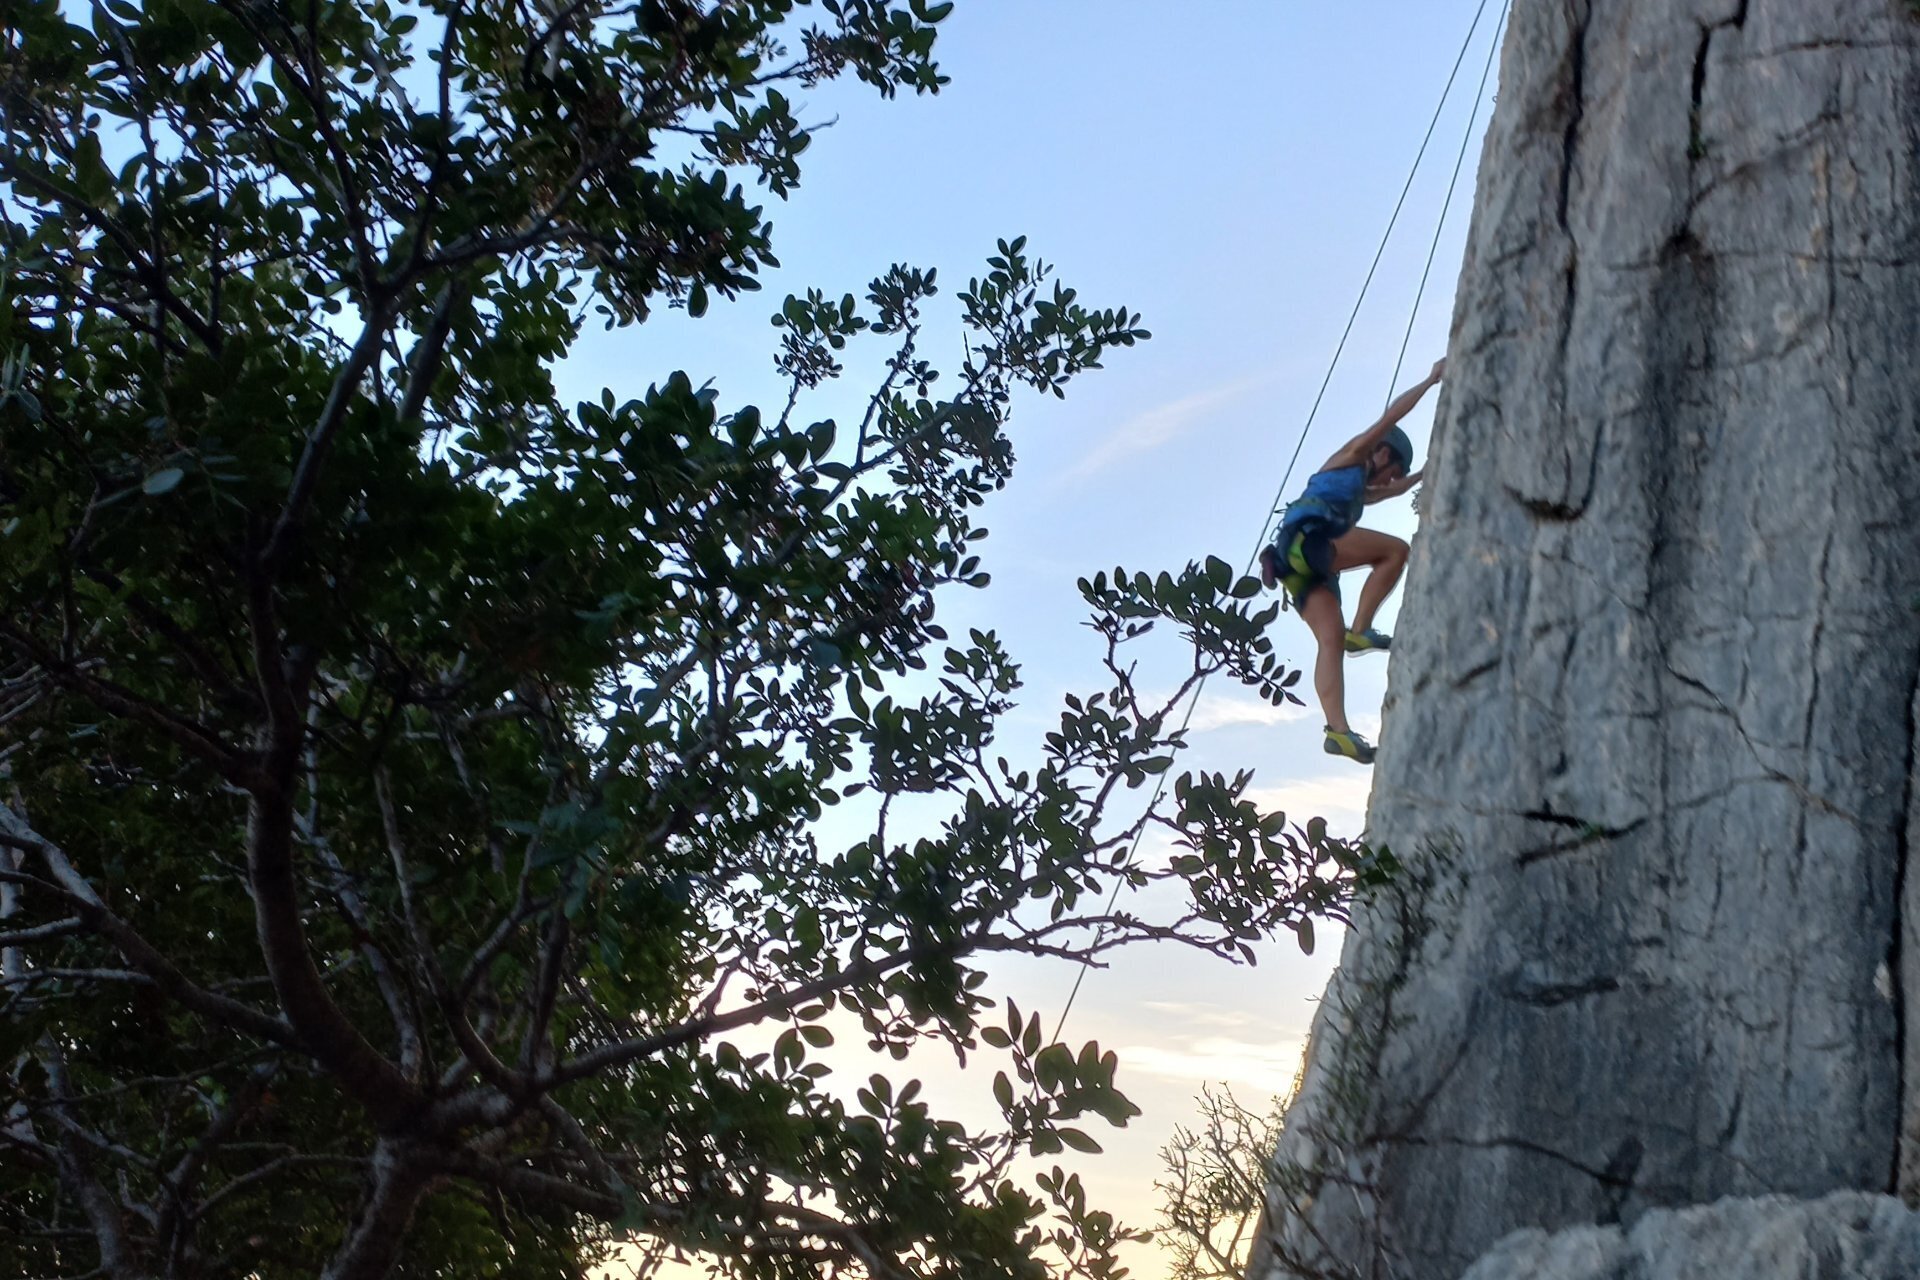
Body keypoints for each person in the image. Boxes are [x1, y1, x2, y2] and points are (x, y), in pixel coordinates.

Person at [1259, 358, 1443, 764]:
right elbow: (1392, 415)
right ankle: (1362, 630)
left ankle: (1337, 733)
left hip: (1298, 566)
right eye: (1393, 470)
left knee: (1330, 641)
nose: (1390, 480)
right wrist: (1430, 380)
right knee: (1396, 551)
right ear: (1381, 454)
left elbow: (1395, 493)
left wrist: (1428, 472)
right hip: (1310, 543)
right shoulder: (1352, 455)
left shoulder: (1364, 490)